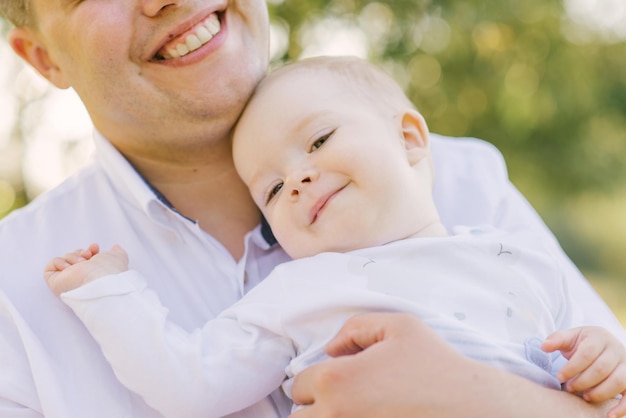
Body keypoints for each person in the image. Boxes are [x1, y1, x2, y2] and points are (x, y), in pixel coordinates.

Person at [0, 1, 622, 417]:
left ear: (410, 137)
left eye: (321, 142)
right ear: (43, 57)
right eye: (271, 189)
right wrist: (109, 293)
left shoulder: (472, 193)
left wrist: (478, 398)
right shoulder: (15, 296)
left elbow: (595, 374)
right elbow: (189, 378)